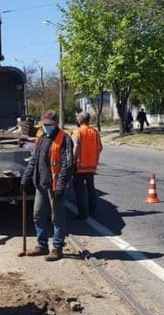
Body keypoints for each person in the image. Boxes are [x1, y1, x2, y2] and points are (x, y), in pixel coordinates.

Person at [21, 108, 73, 261]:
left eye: (49, 124)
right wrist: (26, 178)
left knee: (56, 218)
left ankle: (57, 248)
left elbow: (67, 165)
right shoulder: (42, 138)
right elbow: (34, 161)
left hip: (55, 186)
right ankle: (42, 245)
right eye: (44, 124)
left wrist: (61, 186)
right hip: (41, 185)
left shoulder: (64, 139)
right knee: (37, 215)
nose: (46, 126)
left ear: (56, 123)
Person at [71, 112, 103, 220]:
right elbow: (100, 147)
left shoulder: (77, 132)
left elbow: (75, 147)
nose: (76, 119)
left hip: (79, 166)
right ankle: (92, 210)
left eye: (77, 117)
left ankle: (82, 214)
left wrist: (72, 160)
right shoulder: (95, 132)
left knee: (80, 190)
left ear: (80, 120)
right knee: (91, 188)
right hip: (91, 166)